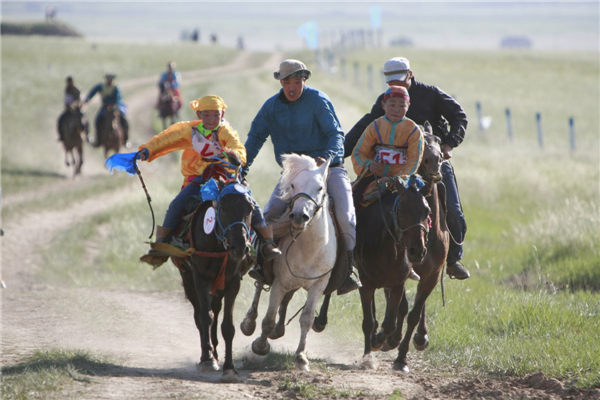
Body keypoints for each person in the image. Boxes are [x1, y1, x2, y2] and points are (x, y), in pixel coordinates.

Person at [242, 59, 361, 295]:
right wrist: (242, 168)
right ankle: (259, 263)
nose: (293, 87)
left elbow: (336, 134)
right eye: (288, 82)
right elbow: (255, 138)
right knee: (268, 214)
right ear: (281, 82)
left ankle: (347, 272)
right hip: (295, 173)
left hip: (328, 169)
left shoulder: (318, 101)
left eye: (297, 81)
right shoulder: (271, 108)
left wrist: (326, 156)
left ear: (304, 81)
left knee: (346, 217)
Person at [344, 57, 470, 280]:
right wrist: (337, 152)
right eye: (392, 84)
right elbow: (366, 126)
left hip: (430, 161)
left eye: (401, 82)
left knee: (453, 209)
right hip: (395, 168)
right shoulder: (389, 99)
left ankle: (453, 260)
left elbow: (459, 116)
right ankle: (354, 260)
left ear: (410, 75)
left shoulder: (431, 94)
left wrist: (449, 144)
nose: (397, 89)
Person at [138, 95, 281, 267]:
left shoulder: (225, 131)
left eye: (216, 115)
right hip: (200, 179)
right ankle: (161, 244)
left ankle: (266, 243)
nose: (212, 119)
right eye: (206, 115)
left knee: (249, 203)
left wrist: (230, 154)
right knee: (177, 204)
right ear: (199, 115)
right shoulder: (191, 131)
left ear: (223, 114)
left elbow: (238, 148)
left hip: (227, 179)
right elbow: (168, 138)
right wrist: (147, 149)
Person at [351, 85, 423, 281]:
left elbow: (413, 160)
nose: (396, 109)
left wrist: (400, 179)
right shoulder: (374, 126)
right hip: (373, 177)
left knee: (421, 209)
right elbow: (359, 152)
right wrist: (368, 166)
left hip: (403, 181)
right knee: (350, 204)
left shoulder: (413, 131)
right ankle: (347, 256)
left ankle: (414, 261)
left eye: (402, 105)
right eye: (392, 104)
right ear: (383, 105)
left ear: (408, 106)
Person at [84, 73, 130, 148]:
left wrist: (115, 105)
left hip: (114, 107)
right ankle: (98, 139)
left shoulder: (115, 88)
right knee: (98, 120)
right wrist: (87, 99)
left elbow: (118, 98)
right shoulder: (102, 86)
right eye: (108, 78)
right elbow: (93, 92)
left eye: (110, 79)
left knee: (124, 121)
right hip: (104, 107)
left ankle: (125, 140)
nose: (109, 80)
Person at [57, 76, 88, 142]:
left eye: (70, 82)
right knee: (60, 119)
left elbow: (79, 100)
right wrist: (68, 107)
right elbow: (67, 100)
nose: (69, 83)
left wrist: (75, 106)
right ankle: (61, 136)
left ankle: (86, 134)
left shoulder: (77, 90)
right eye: (68, 82)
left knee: (84, 121)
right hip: (69, 110)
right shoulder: (67, 89)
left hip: (77, 109)